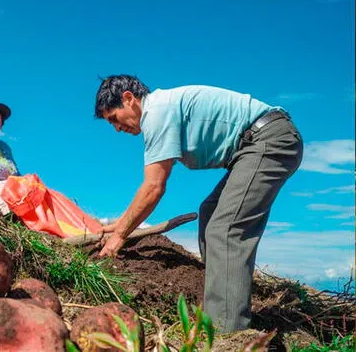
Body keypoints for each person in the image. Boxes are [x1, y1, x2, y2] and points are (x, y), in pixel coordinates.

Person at [94, 74, 303, 333]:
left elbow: (153, 187)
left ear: (129, 99)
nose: (116, 128)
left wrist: (119, 235)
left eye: (114, 118)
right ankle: (221, 304)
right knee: (211, 211)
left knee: (226, 229)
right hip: (255, 145)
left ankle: (228, 334)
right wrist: (121, 222)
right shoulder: (161, 108)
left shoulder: (156, 113)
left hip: (269, 140)